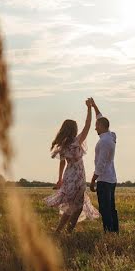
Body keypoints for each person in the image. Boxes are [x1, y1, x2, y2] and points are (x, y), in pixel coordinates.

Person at [43, 100, 100, 233]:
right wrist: (89, 108)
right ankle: (68, 231)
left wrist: (60, 179)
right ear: (74, 130)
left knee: (70, 206)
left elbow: (62, 162)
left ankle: (59, 230)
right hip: (78, 176)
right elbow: (88, 125)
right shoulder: (77, 141)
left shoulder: (63, 145)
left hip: (68, 176)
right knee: (78, 206)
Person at [88, 97, 119, 233]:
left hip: (104, 179)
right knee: (110, 207)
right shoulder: (111, 136)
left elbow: (100, 164)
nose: (95, 128)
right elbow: (102, 119)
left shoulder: (105, 142)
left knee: (105, 208)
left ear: (101, 127)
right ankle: (114, 231)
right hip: (111, 179)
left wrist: (93, 179)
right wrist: (94, 106)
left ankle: (109, 232)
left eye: (96, 126)